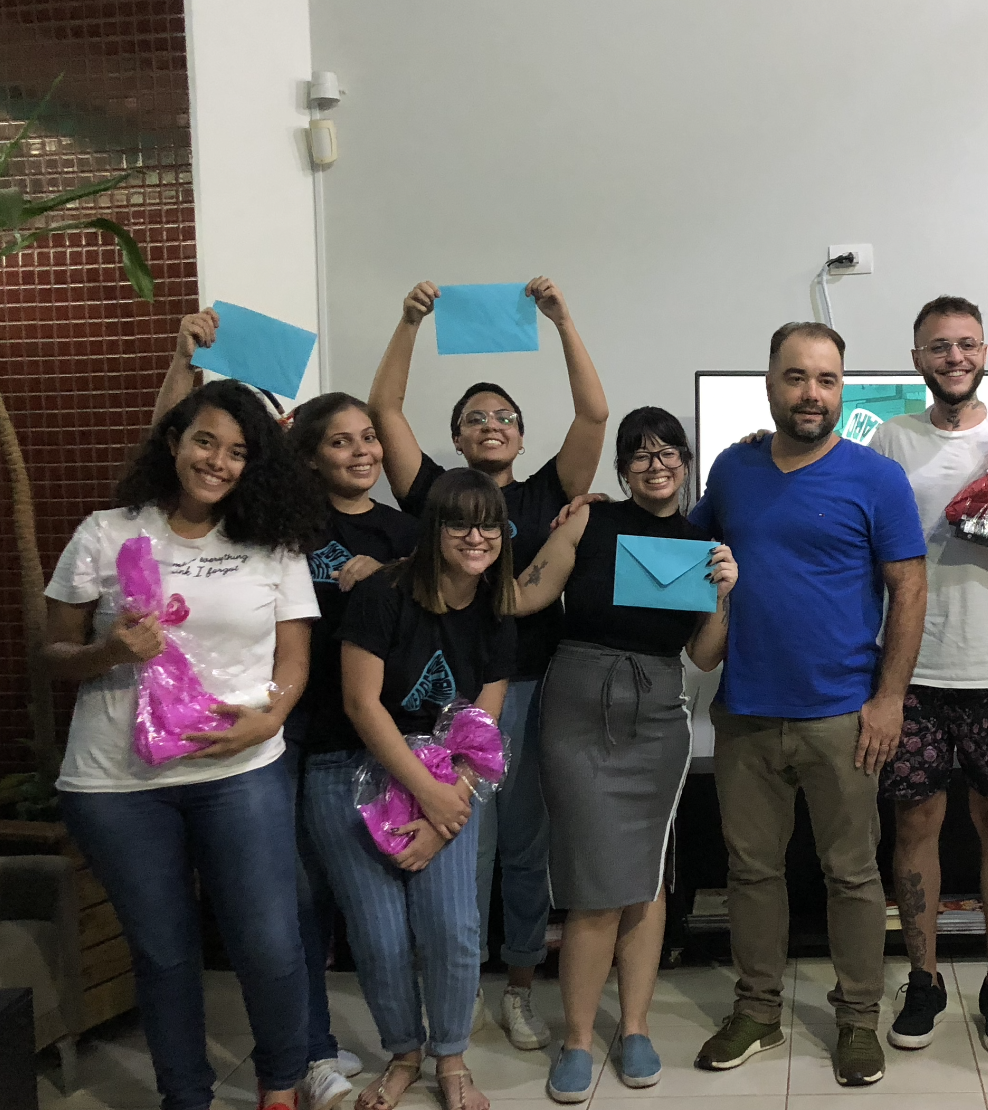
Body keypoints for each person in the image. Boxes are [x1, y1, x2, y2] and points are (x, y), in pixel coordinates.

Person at [44, 373, 326, 1110]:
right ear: (174, 442)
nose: (217, 462)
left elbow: (294, 659)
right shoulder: (107, 532)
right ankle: (185, 1097)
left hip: (242, 769)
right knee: (164, 954)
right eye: (205, 441)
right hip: (118, 784)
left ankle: (281, 1086)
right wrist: (110, 652)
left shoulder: (272, 544)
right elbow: (50, 653)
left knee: (269, 942)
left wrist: (271, 718)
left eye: (236, 451)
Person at [368, 278, 609, 1049]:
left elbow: (593, 416)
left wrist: (563, 320)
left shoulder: (544, 496)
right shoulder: (435, 499)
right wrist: (410, 322)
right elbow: (385, 412)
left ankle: (520, 986)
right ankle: (462, 982)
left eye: (505, 416)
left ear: (522, 436)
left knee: (526, 846)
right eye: (475, 417)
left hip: (533, 690)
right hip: (445, 702)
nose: (492, 424)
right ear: (457, 437)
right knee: (464, 843)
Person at [689, 322, 927, 1088]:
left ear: (842, 388)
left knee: (852, 875)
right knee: (751, 872)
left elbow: (909, 589)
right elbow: (686, 556)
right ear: (770, 382)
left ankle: (857, 1019)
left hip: (843, 716)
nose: (811, 393)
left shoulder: (876, 478)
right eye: (796, 377)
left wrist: (890, 699)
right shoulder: (732, 470)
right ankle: (757, 1010)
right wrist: (603, 512)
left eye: (826, 379)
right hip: (746, 712)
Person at [507, 407, 737, 1102]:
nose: (655, 464)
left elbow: (703, 655)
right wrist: (432, 570)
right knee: (592, 883)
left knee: (646, 878)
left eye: (668, 452)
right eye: (639, 453)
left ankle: (634, 1027)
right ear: (622, 468)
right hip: (578, 708)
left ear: (686, 462)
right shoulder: (589, 521)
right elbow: (525, 595)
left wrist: (724, 594)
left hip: (659, 714)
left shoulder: (701, 545)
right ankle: (578, 1038)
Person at [865, 295, 988, 1055]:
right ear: (917, 358)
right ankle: (923, 979)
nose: (955, 357)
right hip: (911, 665)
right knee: (915, 824)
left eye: (967, 344)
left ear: (984, 351)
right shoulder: (892, 437)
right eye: (939, 346)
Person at [319, 468, 520, 1110]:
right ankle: (404, 1053)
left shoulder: (497, 610)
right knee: (379, 934)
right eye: (460, 523)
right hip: (360, 767)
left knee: (453, 927)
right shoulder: (383, 594)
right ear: (433, 529)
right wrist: (426, 794)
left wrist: (444, 812)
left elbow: (481, 728)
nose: (476, 538)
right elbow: (361, 703)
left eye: (489, 526)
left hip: (450, 778)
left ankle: (451, 1058)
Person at [287, 391, 420, 1107]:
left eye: (369, 436)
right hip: (299, 735)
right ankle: (310, 1047)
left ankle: (409, 1041)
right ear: (310, 456)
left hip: (385, 738)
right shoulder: (288, 526)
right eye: (341, 441)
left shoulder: (404, 531)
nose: (363, 450)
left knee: (382, 908)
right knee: (304, 899)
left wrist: (389, 576)